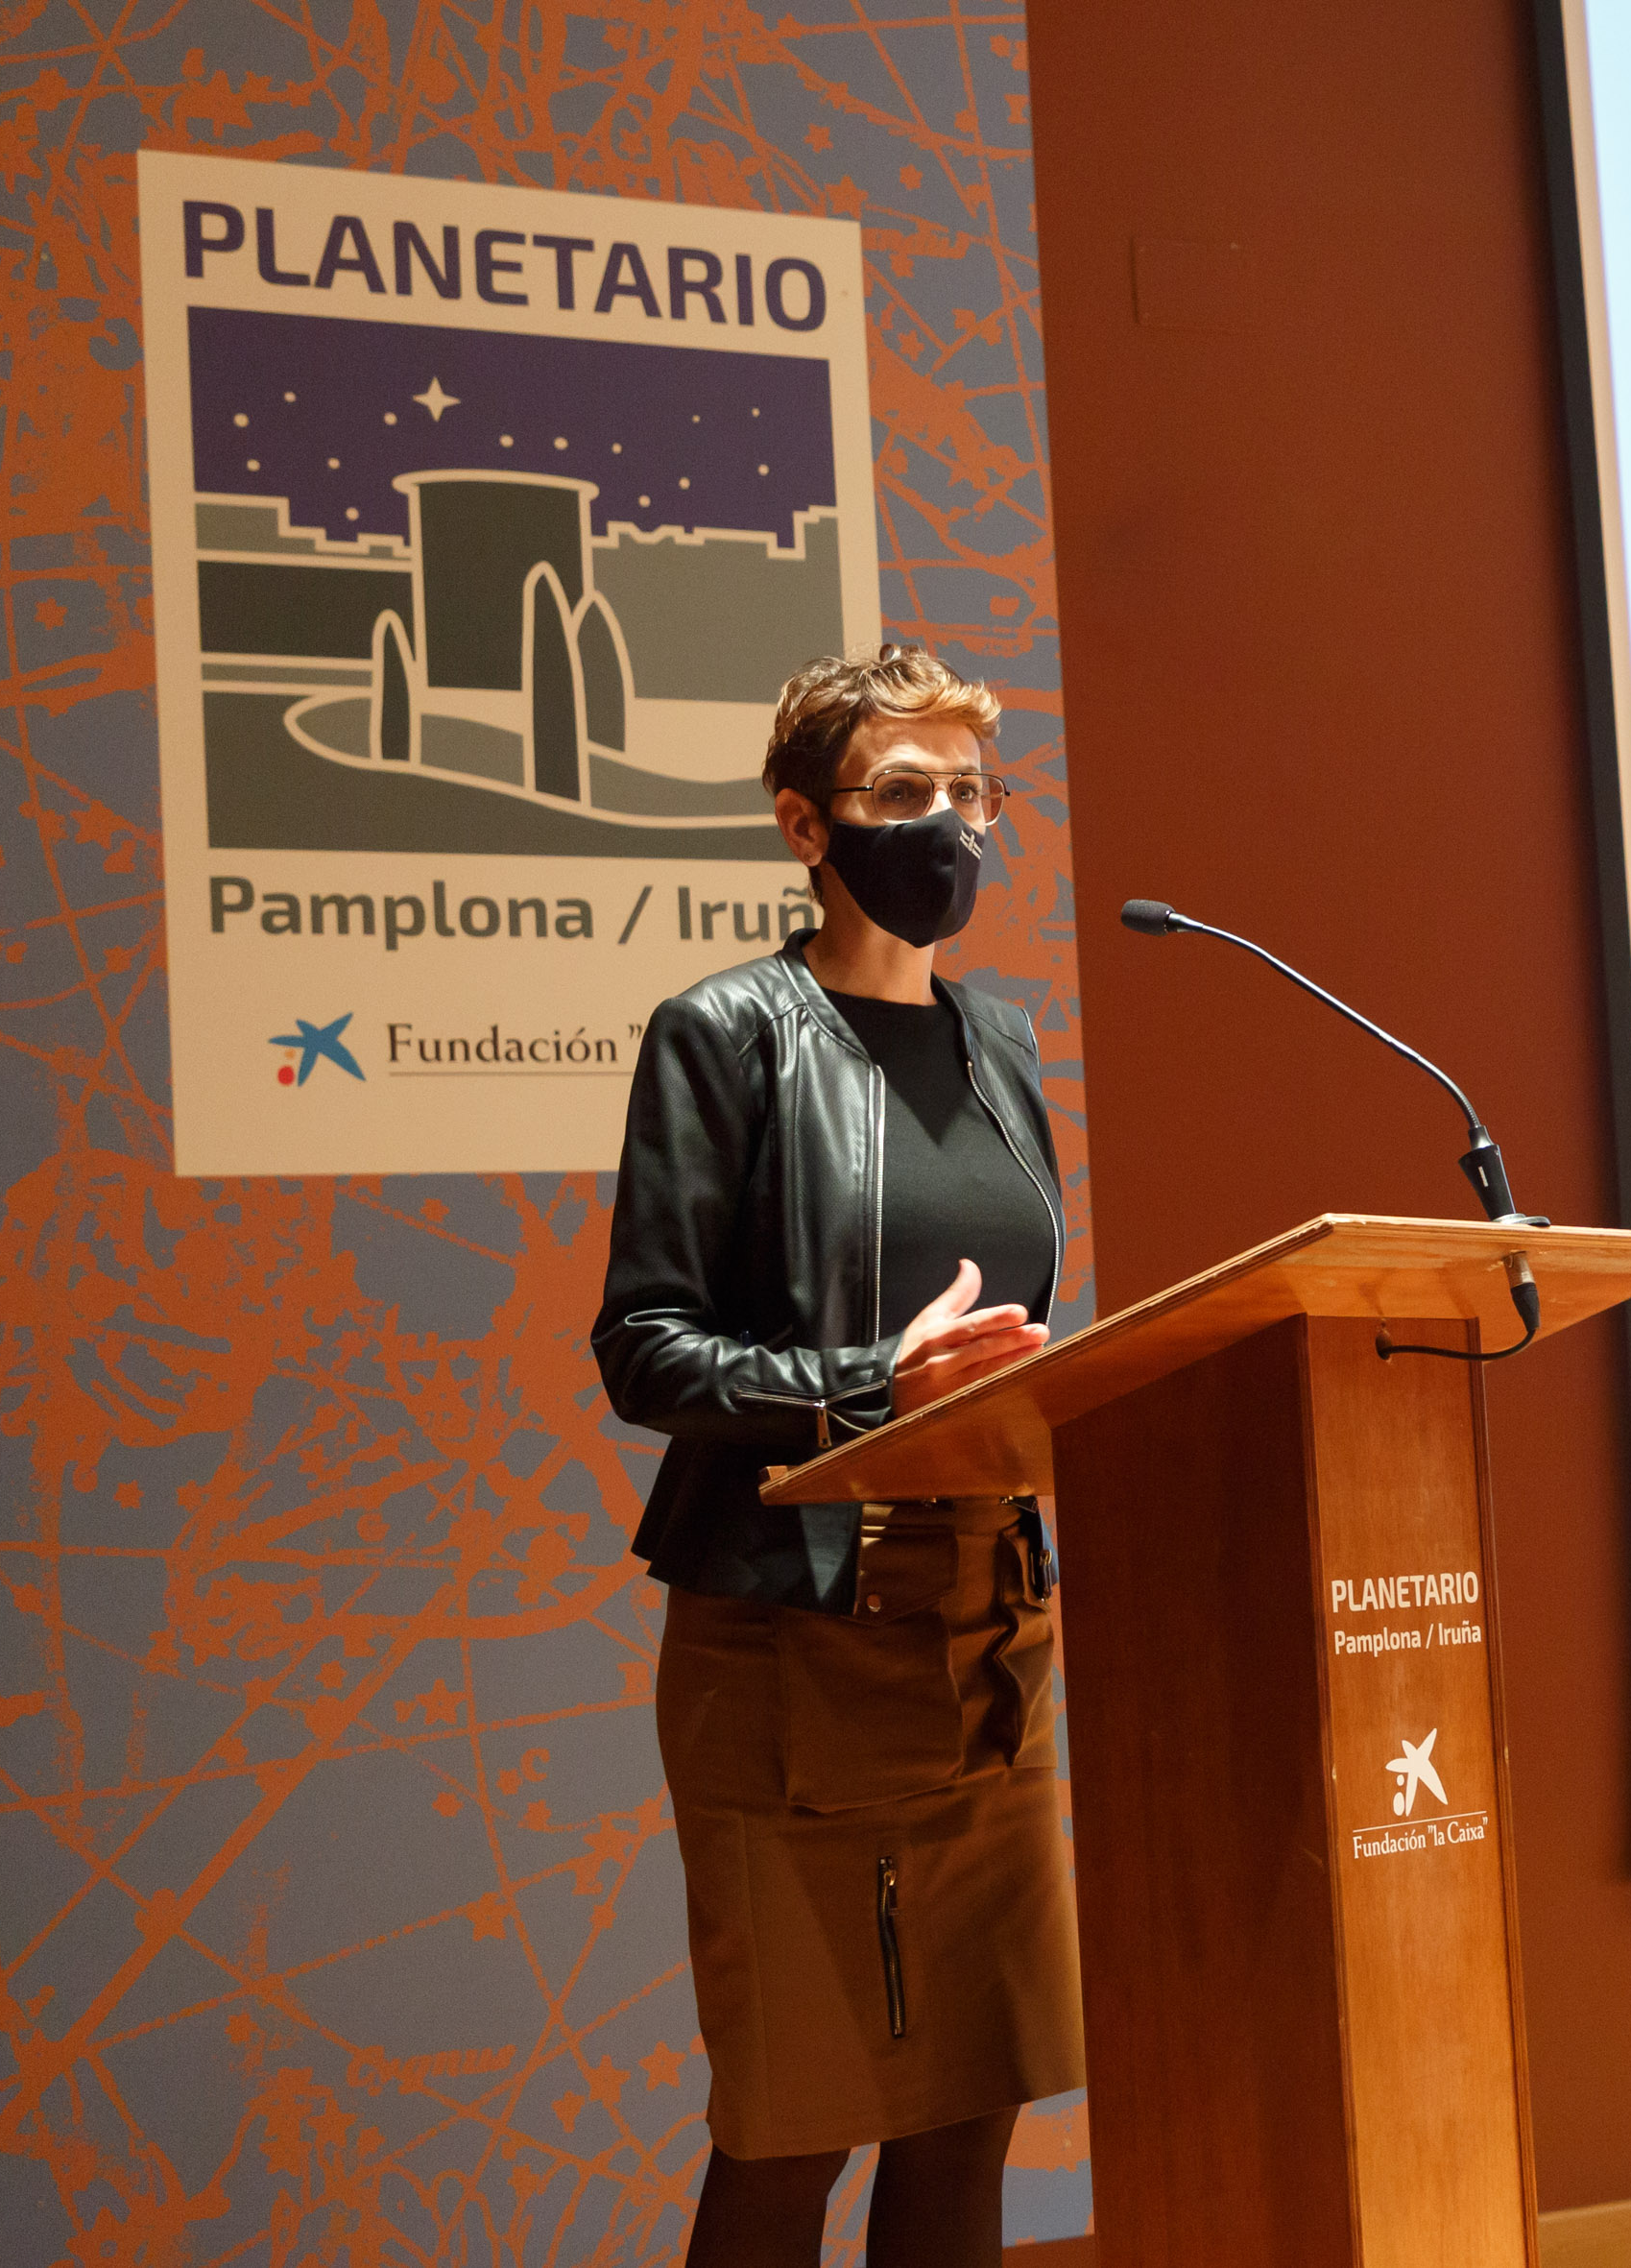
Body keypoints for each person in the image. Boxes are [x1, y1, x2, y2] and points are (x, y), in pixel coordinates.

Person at [591, 645, 1077, 2267]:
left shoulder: (1002, 1045)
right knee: (796, 2121)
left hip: (990, 1639)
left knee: (966, 2109)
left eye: (969, 791)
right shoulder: (726, 1033)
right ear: (806, 825)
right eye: (901, 789)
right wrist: (876, 1380)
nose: (947, 823)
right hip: (795, 1646)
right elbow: (646, 1348)